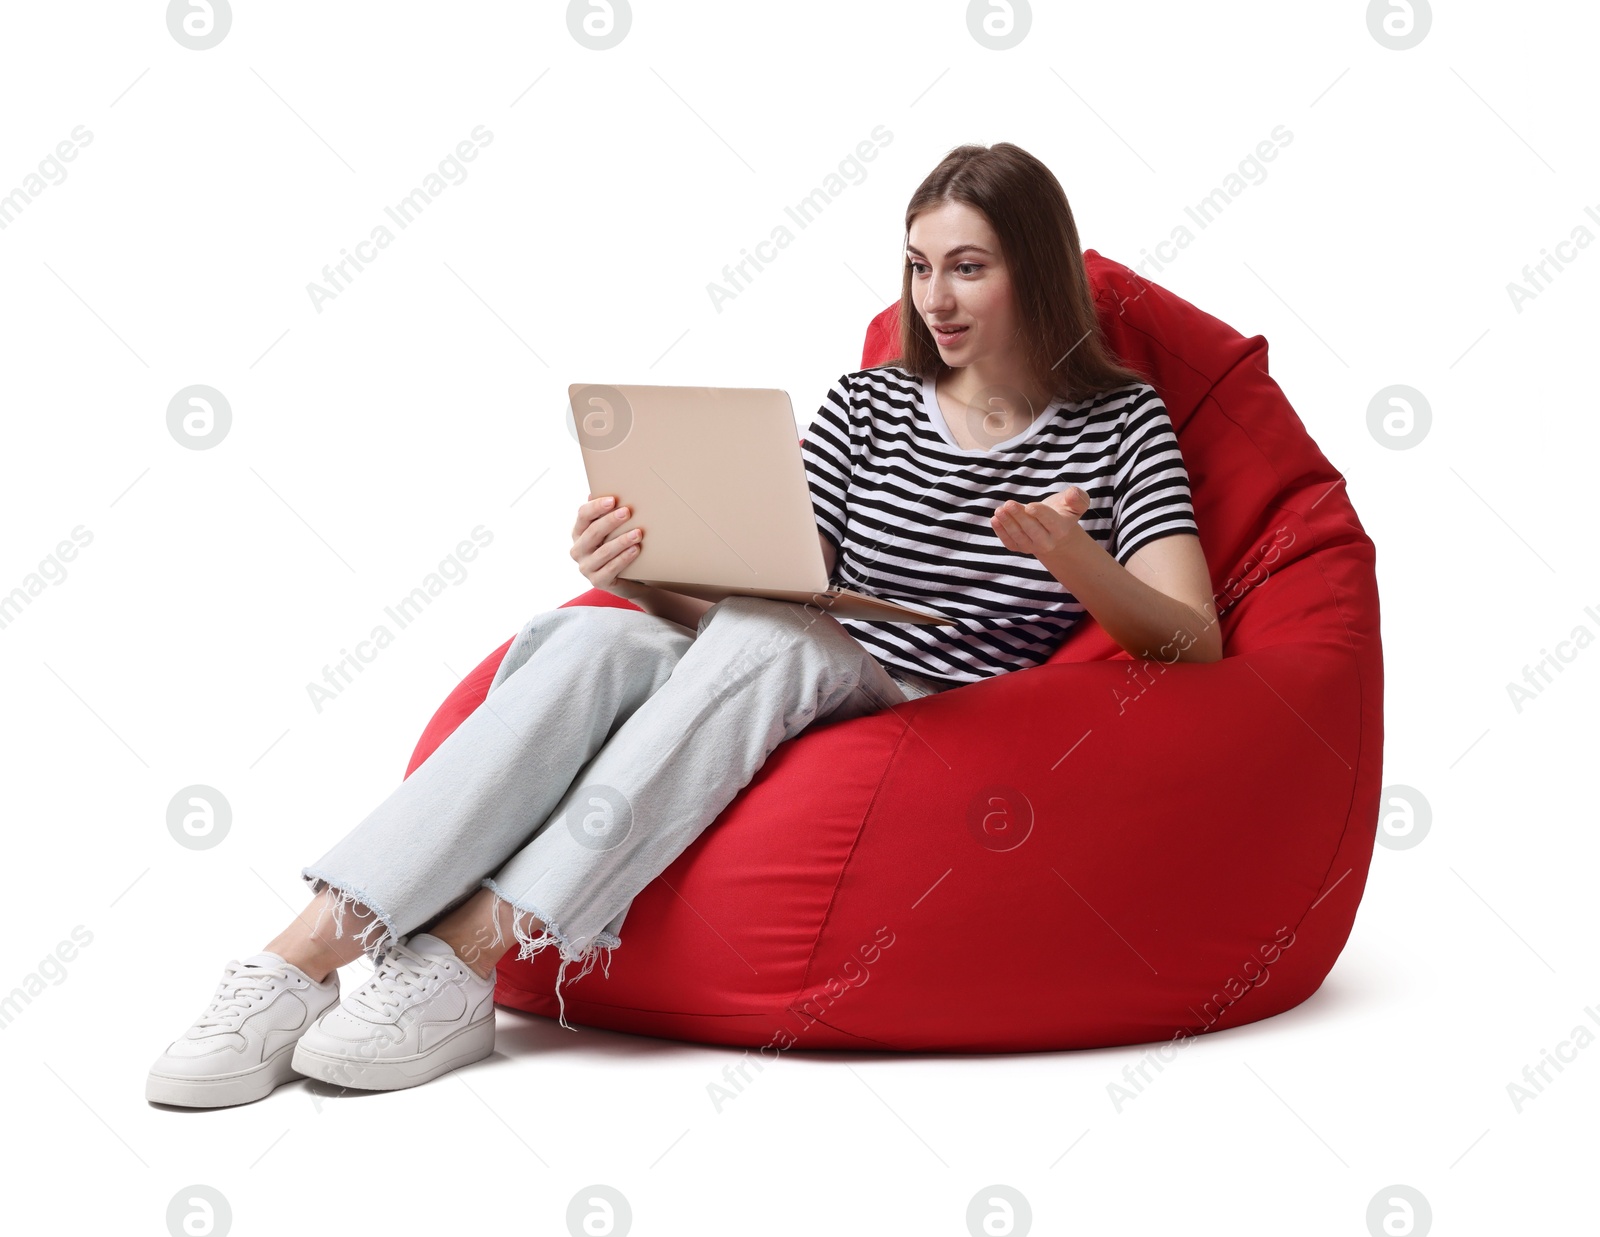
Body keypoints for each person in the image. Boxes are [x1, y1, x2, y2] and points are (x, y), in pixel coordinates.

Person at [146, 141, 1221, 1108]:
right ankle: (302, 957)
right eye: (918, 264)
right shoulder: (866, 404)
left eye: (968, 266)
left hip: (930, 711)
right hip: (792, 668)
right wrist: (643, 576)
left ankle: (469, 957)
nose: (933, 297)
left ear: (1036, 265)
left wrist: (1075, 559)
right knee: (599, 634)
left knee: (783, 640)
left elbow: (1192, 640)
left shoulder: (1118, 426)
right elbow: (771, 596)